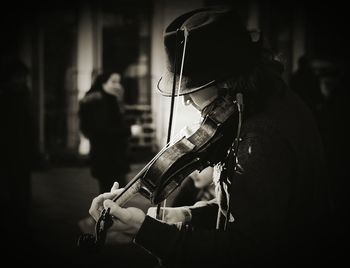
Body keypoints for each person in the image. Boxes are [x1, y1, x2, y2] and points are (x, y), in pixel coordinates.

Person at [87, 7, 332, 267]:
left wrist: (146, 232)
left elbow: (245, 252)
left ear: (225, 80)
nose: (184, 100)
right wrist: (187, 214)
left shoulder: (260, 136)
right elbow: (245, 208)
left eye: (192, 87)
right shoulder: (270, 101)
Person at [78, 72, 131, 233]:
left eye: (119, 81)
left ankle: (109, 224)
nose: (117, 85)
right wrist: (129, 130)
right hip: (107, 156)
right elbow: (101, 130)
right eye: (113, 81)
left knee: (113, 192)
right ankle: (109, 226)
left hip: (112, 155)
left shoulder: (110, 98)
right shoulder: (98, 101)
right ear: (103, 83)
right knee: (112, 193)